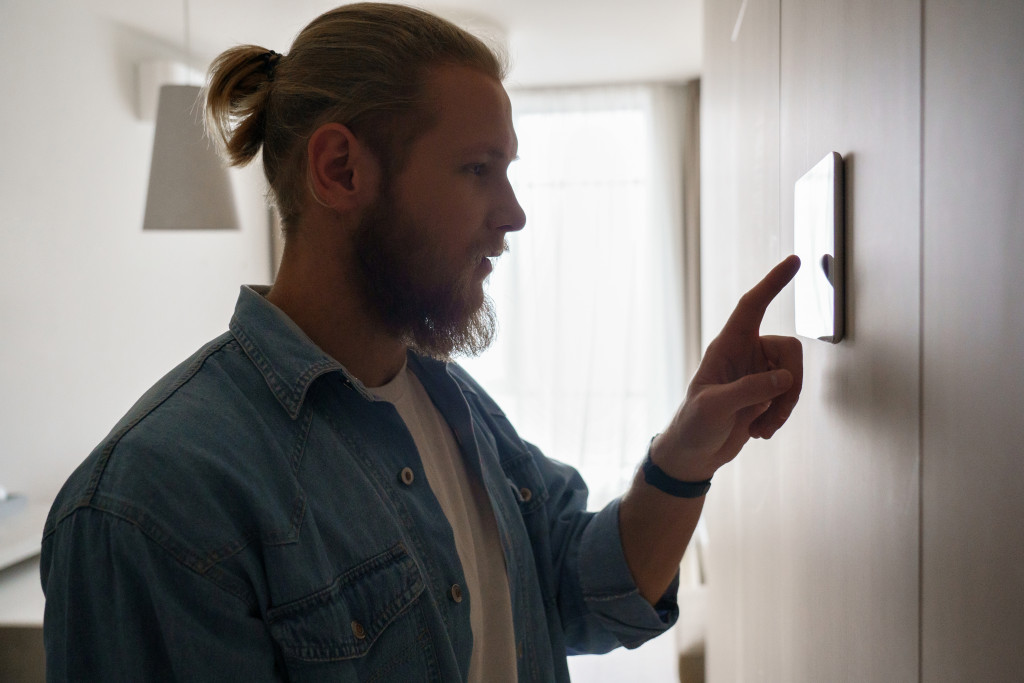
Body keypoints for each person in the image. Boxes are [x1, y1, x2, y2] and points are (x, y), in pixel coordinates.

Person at [40, 3, 803, 681]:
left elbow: (585, 585)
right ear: (340, 170)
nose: (513, 214)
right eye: (478, 169)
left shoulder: (453, 402)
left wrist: (692, 447)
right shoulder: (148, 505)